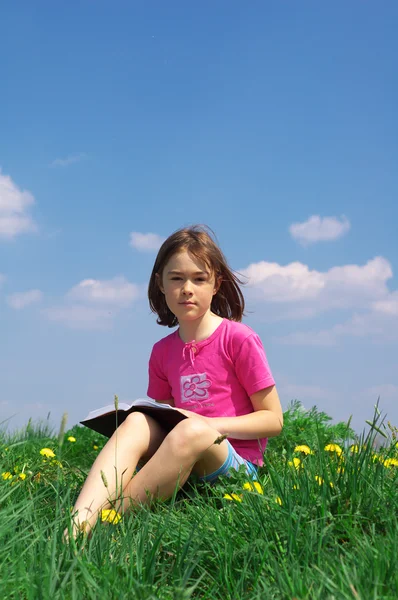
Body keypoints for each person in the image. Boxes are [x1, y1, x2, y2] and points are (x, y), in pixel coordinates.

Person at [69, 225, 283, 537]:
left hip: (234, 466)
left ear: (216, 284)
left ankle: (110, 523)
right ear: (161, 284)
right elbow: (164, 419)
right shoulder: (162, 352)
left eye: (199, 278)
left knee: (193, 430)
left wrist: (210, 425)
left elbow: (273, 419)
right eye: (176, 278)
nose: (187, 288)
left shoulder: (239, 339)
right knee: (139, 420)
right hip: (182, 459)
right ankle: (76, 528)